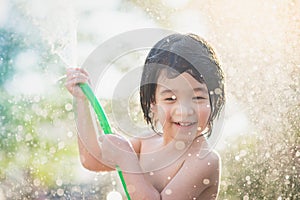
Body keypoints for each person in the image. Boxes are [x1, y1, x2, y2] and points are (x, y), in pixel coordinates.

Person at [65, 33, 225, 200]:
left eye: (198, 98)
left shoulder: (204, 160)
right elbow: (92, 159)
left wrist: (126, 159)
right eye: (170, 98)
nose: (184, 110)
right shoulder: (146, 143)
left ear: (215, 101)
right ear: (152, 103)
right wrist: (82, 100)